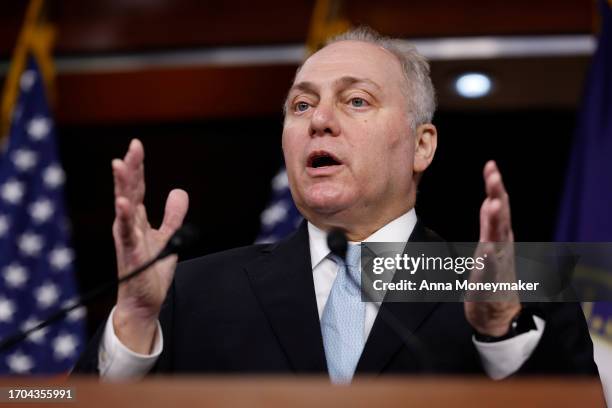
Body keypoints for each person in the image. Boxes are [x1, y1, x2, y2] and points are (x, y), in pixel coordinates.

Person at [74, 27, 597, 382]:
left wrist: (501, 327)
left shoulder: (522, 285)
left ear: (422, 145)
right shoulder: (188, 292)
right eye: (302, 105)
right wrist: (136, 324)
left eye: (356, 100)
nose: (319, 120)